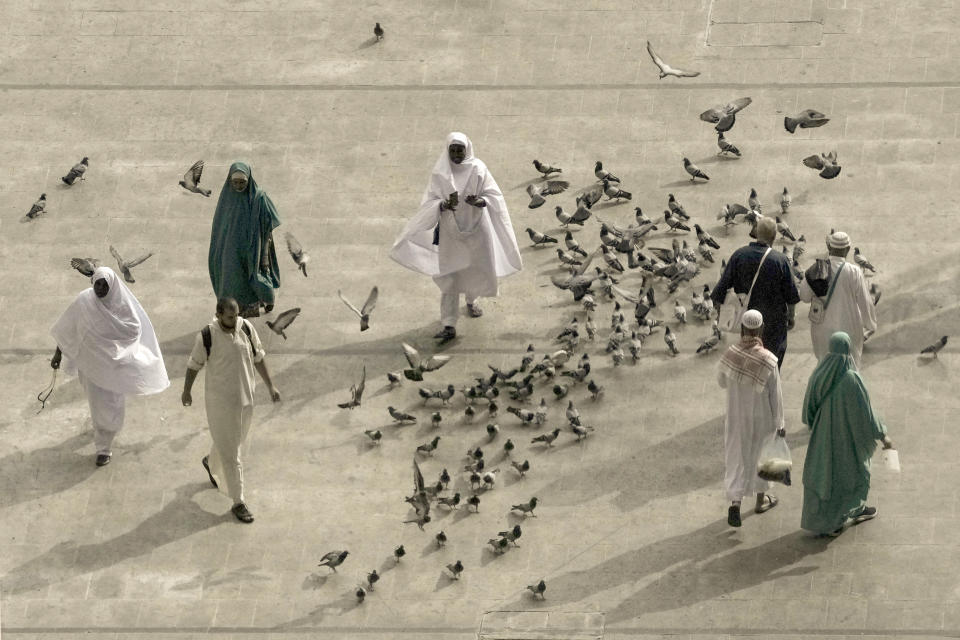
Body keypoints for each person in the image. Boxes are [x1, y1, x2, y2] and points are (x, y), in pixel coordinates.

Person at [389, 131, 522, 342]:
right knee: (450, 276)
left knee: (476, 269)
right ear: (447, 150)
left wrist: (480, 201)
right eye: (453, 150)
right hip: (451, 233)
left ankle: (471, 300)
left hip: (478, 230)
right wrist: (442, 205)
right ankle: (449, 324)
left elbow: (494, 195)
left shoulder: (478, 168)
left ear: (467, 149)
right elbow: (430, 201)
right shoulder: (440, 173)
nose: (457, 154)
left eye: (460, 150)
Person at [49, 266, 170, 466]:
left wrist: (116, 351)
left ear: (113, 286)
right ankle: (101, 431)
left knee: (110, 404)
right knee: (97, 403)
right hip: (90, 365)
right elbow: (67, 327)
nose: (101, 289)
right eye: (98, 283)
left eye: (106, 285)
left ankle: (103, 448)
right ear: (92, 283)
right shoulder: (84, 301)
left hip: (113, 367)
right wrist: (58, 354)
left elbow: (133, 329)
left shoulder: (122, 305)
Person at [181, 297, 281, 523]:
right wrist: (186, 392)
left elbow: (258, 358)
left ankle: (211, 461)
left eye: (236, 314)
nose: (234, 319)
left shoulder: (245, 327)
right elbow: (193, 366)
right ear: (218, 314)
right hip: (220, 404)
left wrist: (271, 386)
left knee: (234, 442)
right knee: (233, 455)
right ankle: (239, 501)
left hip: (246, 400)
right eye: (229, 316)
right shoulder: (207, 336)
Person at [800, 331, 893, 537]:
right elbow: (866, 413)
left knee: (826, 474)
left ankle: (830, 522)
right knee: (852, 472)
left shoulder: (819, 373)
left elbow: (808, 410)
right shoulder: (852, 378)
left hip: (823, 436)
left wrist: (818, 425)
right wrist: (883, 435)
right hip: (847, 437)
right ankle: (855, 510)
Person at [717, 310, 786, 527]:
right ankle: (761, 499)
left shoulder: (730, 354)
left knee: (737, 457)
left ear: (742, 329)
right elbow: (776, 395)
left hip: (737, 416)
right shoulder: (769, 360)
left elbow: (721, 381)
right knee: (762, 456)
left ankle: (735, 503)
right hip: (762, 417)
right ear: (761, 329)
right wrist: (780, 424)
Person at [711, 216, 800, 368]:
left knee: (750, 360)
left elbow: (719, 291)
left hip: (748, 323)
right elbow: (791, 296)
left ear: (756, 234)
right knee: (772, 363)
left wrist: (722, 316)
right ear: (774, 237)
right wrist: (791, 318)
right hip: (774, 325)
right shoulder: (781, 260)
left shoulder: (739, 255)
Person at [208, 162, 282, 319]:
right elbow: (219, 229)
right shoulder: (226, 201)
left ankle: (266, 300)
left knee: (256, 277)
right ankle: (235, 312)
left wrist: (264, 254)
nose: (238, 186)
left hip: (253, 250)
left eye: (242, 182)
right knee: (232, 281)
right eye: (235, 182)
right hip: (231, 251)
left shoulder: (259, 198)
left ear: (249, 180)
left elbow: (268, 226)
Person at [798, 231, 877, 369]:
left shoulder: (817, 268)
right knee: (849, 367)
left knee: (825, 366)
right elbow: (865, 302)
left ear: (829, 248)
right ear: (847, 249)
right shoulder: (854, 272)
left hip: (822, 330)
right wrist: (870, 324)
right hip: (849, 329)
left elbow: (804, 296)